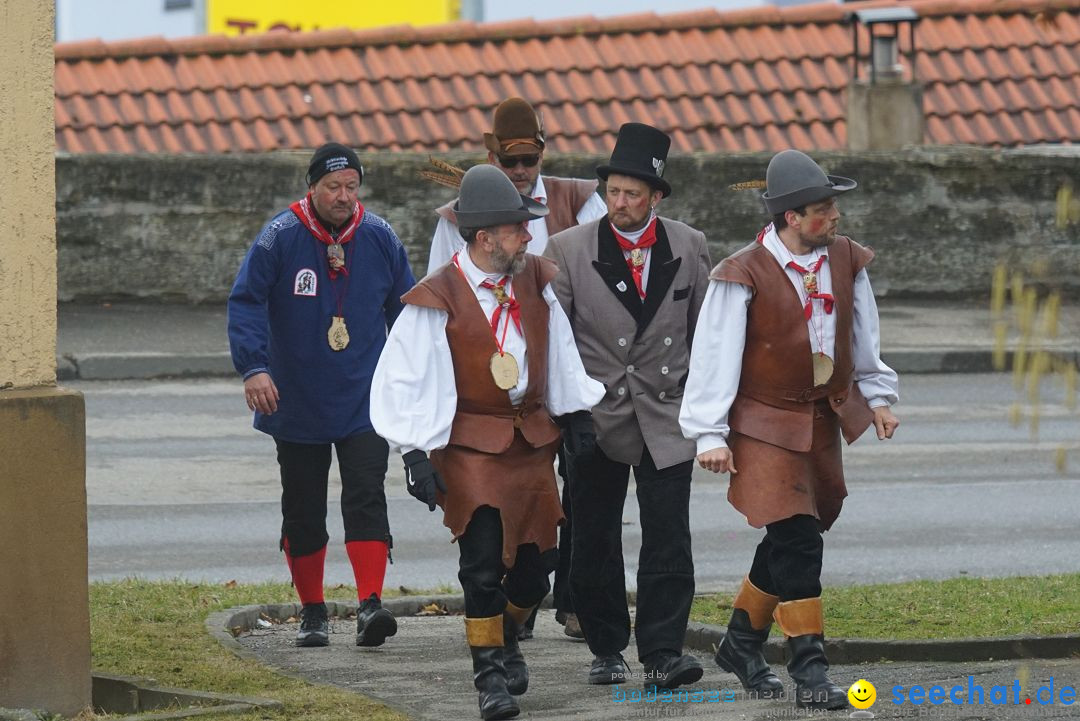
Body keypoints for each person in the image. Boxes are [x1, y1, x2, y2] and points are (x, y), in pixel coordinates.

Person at [371, 164, 604, 720]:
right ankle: (489, 677)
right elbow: (402, 377)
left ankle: (506, 634)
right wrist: (412, 453)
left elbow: (561, 348)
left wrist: (577, 416)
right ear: (485, 237)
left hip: (531, 443)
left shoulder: (536, 280)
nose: (529, 236)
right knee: (480, 567)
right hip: (470, 445)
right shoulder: (436, 297)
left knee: (537, 564)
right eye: (518, 228)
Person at [679, 149, 900, 710]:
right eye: (824, 209)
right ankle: (810, 669)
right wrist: (709, 433)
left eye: (833, 207)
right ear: (792, 217)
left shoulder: (847, 259)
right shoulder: (742, 271)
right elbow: (714, 355)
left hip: (820, 418)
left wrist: (878, 397)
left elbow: (863, 333)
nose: (835, 218)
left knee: (792, 534)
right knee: (798, 541)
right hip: (761, 421)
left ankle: (740, 642)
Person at [428, 96, 606, 641]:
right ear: (495, 159)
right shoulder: (459, 217)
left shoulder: (580, 200)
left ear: (543, 155)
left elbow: (603, 273)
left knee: (570, 497)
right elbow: (442, 295)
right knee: (490, 507)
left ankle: (567, 601)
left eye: (530, 161)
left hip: (565, 362)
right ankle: (499, 618)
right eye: (511, 164)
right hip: (494, 376)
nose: (522, 172)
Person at [542, 122, 711, 690]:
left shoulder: (689, 246)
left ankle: (663, 651)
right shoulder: (567, 250)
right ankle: (606, 645)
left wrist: (706, 414)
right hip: (597, 414)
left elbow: (705, 336)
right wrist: (569, 416)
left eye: (632, 194)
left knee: (669, 535)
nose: (620, 203)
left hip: (667, 414)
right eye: (612, 191)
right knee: (593, 536)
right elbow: (555, 343)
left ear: (656, 197)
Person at [227, 142, 415, 649]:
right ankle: (312, 610)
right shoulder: (280, 236)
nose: (343, 197)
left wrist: (412, 376)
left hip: (365, 399)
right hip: (296, 399)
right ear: (311, 187)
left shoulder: (378, 236)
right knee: (304, 507)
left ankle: (370, 604)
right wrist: (254, 368)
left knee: (366, 496)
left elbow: (408, 313)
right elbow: (245, 302)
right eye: (333, 187)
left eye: (352, 187)